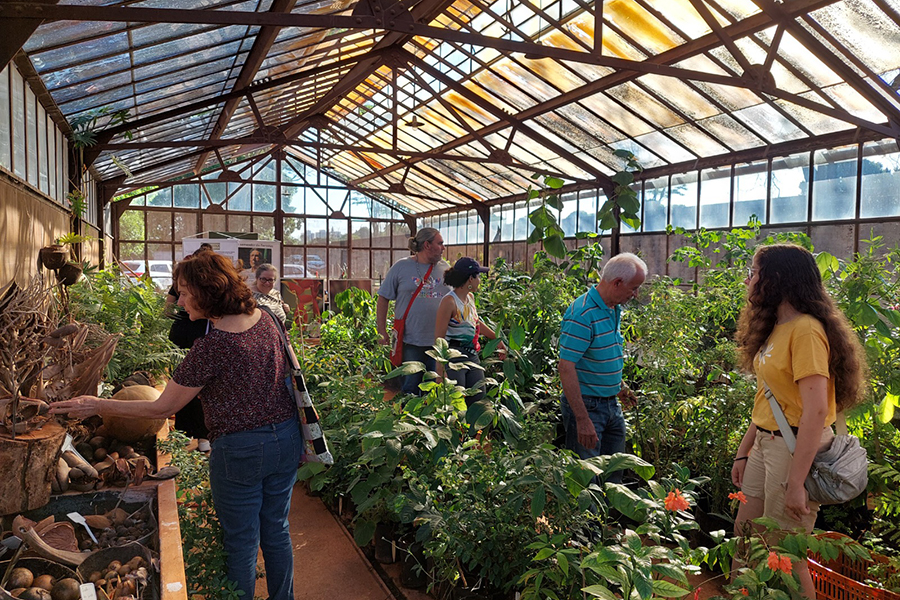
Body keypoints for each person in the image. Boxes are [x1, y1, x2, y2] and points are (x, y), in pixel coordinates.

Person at [52, 252, 302, 600]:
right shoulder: (266, 319)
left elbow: (163, 406)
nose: (179, 301)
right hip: (287, 439)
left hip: (241, 451)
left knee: (242, 541)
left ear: (207, 291)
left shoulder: (213, 346)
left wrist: (94, 404)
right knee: (276, 530)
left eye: (184, 292)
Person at [731, 244, 864, 599]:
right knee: (746, 534)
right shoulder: (777, 326)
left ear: (775, 279)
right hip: (766, 442)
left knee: (786, 550)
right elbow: (767, 397)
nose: (749, 279)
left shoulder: (805, 330)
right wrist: (744, 452)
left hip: (792, 449)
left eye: (755, 271)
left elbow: (816, 411)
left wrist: (795, 483)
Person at [557, 252, 646, 483]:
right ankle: (589, 521)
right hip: (588, 407)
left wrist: (620, 387)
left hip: (610, 405)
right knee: (587, 479)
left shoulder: (612, 308)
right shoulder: (583, 314)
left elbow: (602, 356)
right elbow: (566, 367)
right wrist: (582, 419)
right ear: (617, 283)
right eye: (634, 288)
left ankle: (607, 519)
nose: (636, 295)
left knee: (614, 471)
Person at [377, 227, 450, 395]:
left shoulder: (445, 268)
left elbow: (457, 298)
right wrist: (382, 331)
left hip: (438, 342)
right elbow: (383, 298)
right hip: (410, 341)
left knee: (434, 388)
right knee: (410, 387)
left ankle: (430, 421)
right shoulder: (401, 267)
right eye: (440, 243)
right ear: (427, 245)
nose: (443, 248)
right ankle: (408, 420)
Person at [434, 257, 507, 404]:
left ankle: (473, 427)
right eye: (478, 276)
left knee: (478, 397)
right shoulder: (449, 302)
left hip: (472, 355)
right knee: (456, 401)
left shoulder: (470, 298)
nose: (480, 280)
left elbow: (475, 322)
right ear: (470, 279)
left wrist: (496, 339)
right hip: (453, 356)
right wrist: (440, 371)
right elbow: (439, 338)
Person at [165, 246, 213, 452]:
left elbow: (167, 311)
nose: (183, 299)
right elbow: (168, 309)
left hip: (190, 334)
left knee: (187, 385)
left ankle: (186, 434)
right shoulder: (186, 283)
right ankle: (198, 436)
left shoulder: (188, 283)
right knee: (191, 386)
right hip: (192, 333)